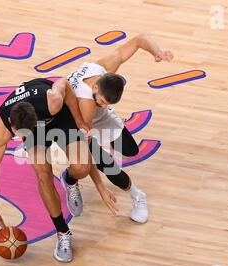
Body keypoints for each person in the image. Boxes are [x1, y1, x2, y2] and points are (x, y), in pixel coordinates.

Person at [0, 77, 111, 263]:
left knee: (82, 168)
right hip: (34, 127)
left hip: (58, 118)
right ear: (12, 125)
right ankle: (62, 231)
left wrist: (78, 120)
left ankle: (70, 179)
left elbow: (65, 83)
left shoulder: (52, 101)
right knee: (43, 175)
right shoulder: (4, 125)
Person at [63, 32, 173, 223]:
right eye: (104, 101)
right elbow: (85, 141)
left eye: (108, 103)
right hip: (76, 123)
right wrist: (101, 187)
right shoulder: (87, 101)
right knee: (108, 166)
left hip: (97, 118)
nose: (105, 105)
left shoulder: (101, 69)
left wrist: (158, 52)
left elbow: (139, 39)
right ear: (95, 88)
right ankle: (137, 196)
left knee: (131, 150)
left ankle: (84, 168)